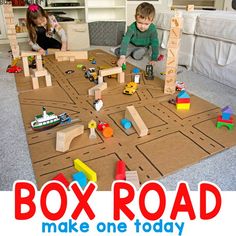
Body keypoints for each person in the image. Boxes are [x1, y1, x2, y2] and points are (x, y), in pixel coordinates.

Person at [115, 2, 159, 67]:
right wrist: (122, 57)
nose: (142, 26)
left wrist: (154, 59)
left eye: (146, 24)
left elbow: (155, 43)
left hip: (144, 46)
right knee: (123, 53)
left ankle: (134, 53)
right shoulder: (132, 27)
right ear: (135, 18)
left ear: (151, 21)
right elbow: (125, 40)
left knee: (137, 55)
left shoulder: (152, 29)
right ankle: (119, 50)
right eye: (140, 23)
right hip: (132, 44)